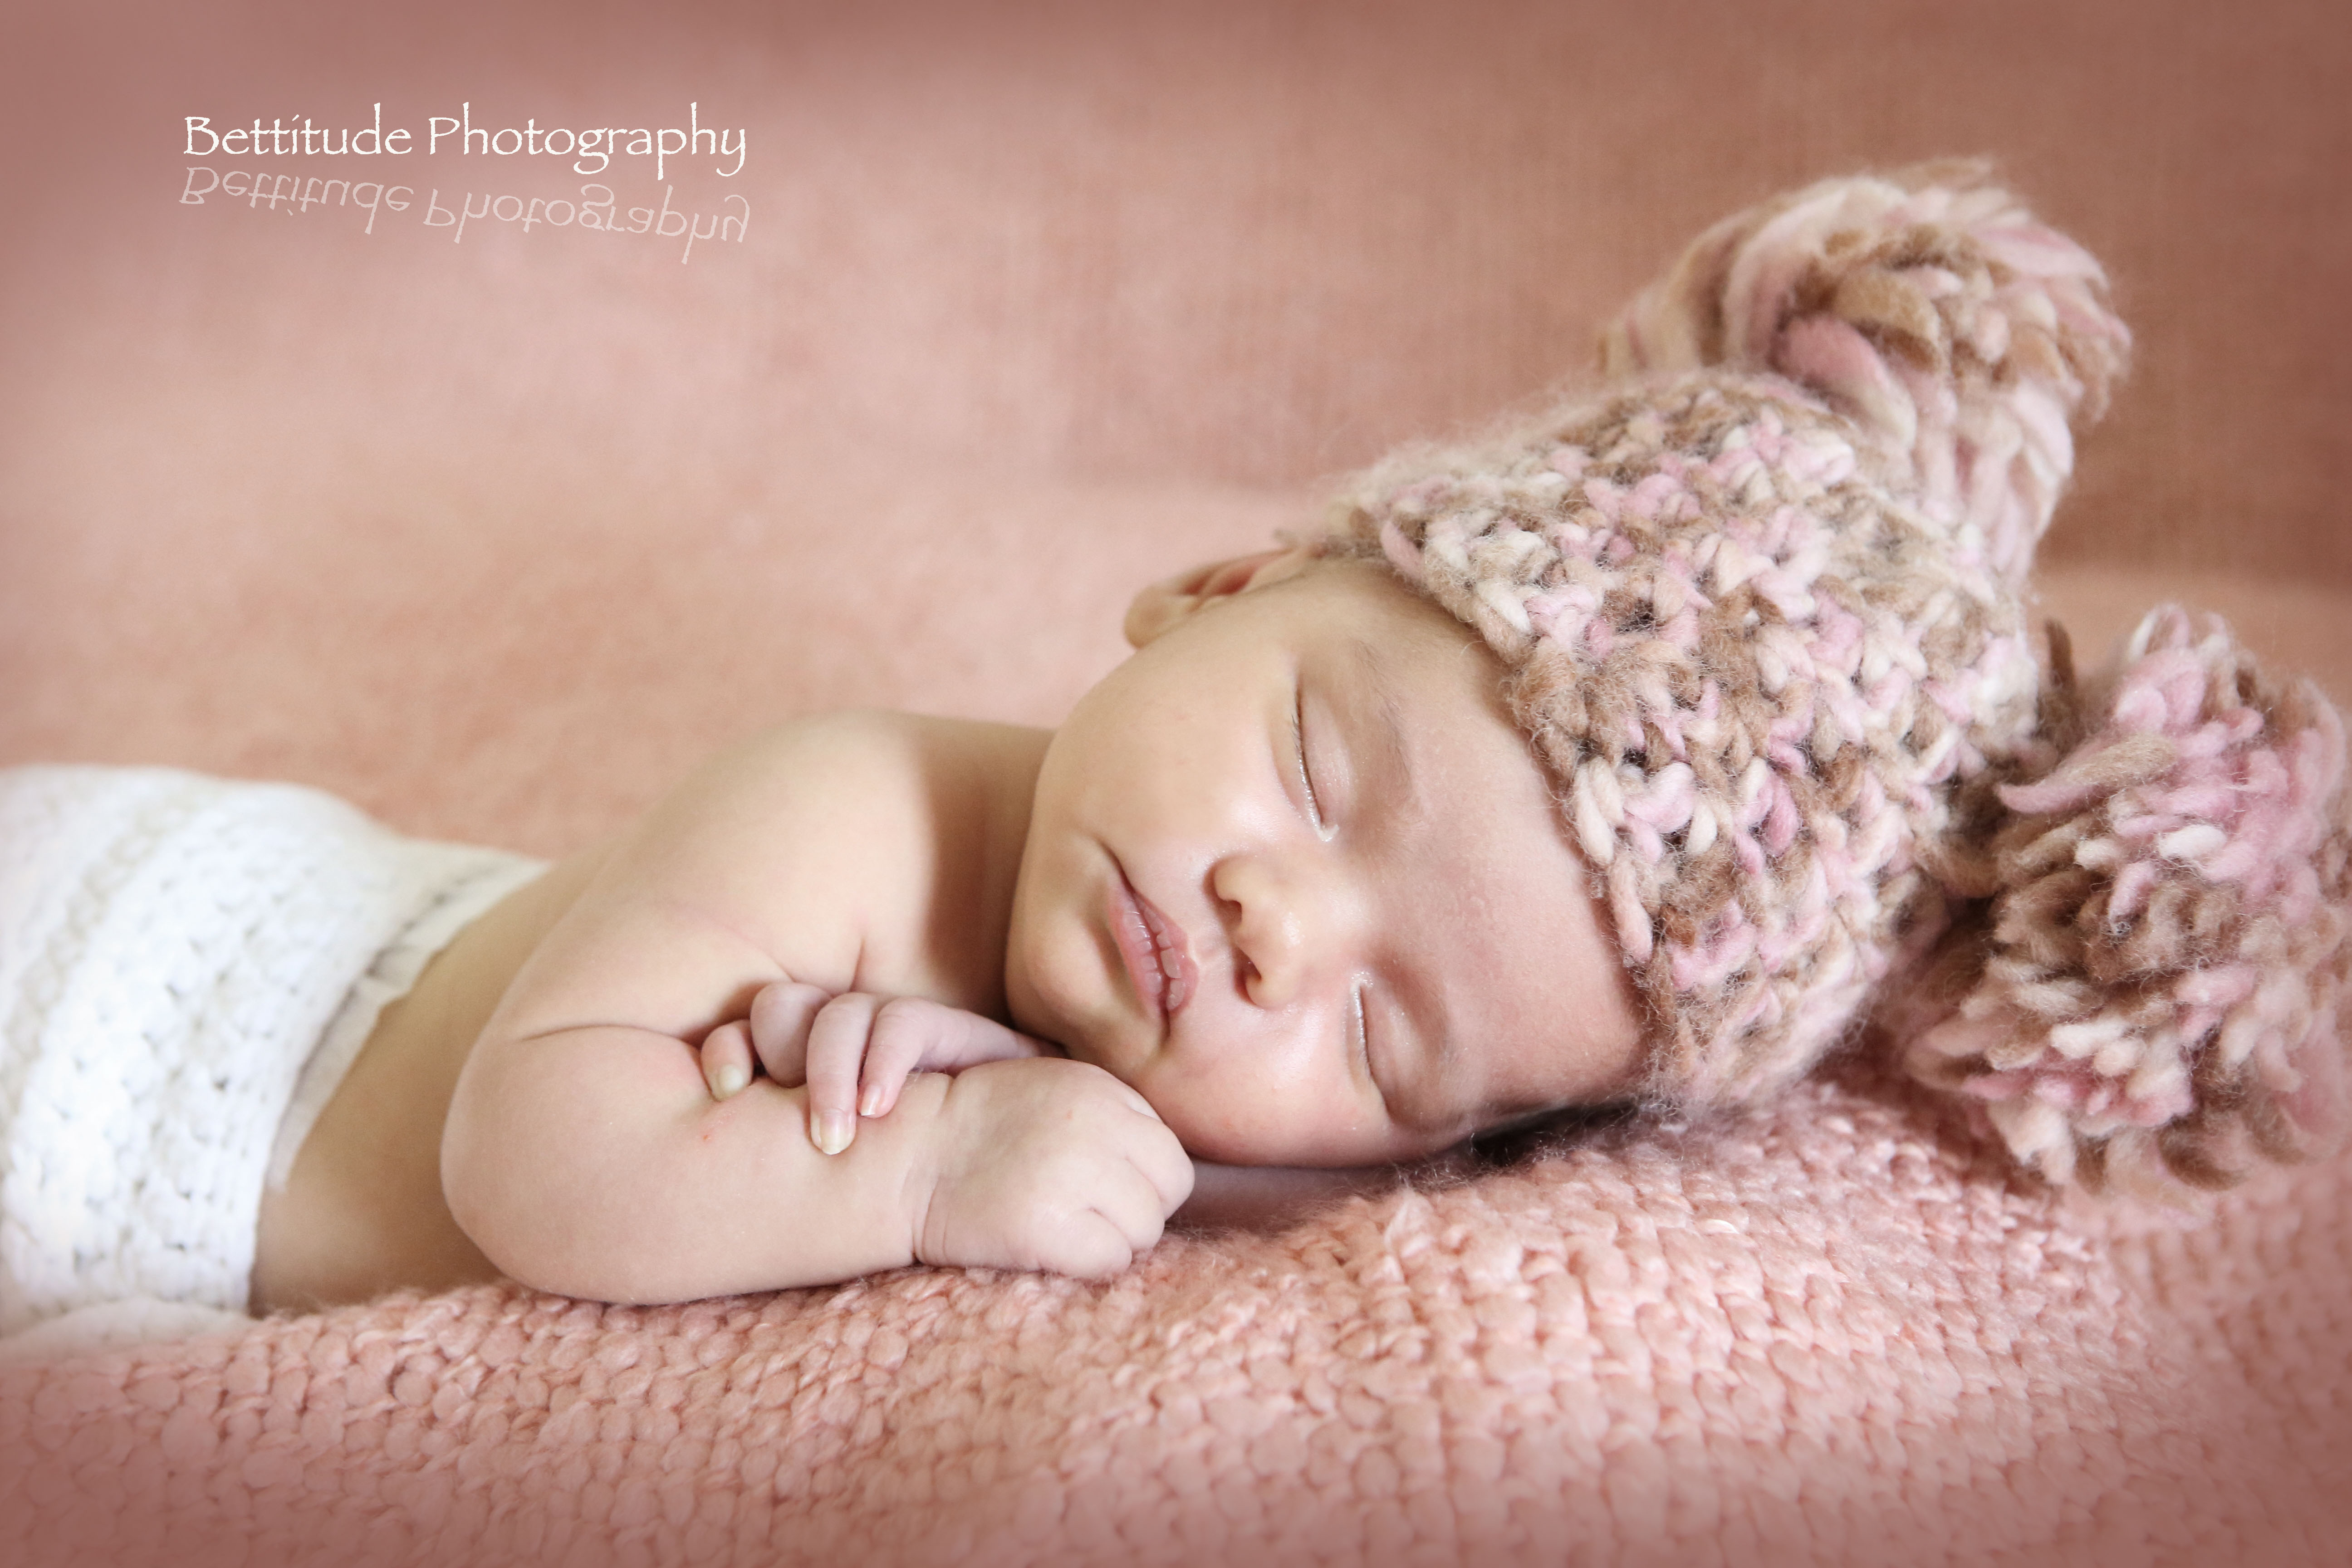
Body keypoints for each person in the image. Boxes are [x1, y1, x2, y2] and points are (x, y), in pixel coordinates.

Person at [5, 162, 2343, 1345]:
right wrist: (924, 1171)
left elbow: (1241, 1190)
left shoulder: (1229, 1116)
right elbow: (532, 1158)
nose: (1270, 927)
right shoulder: (862, 805)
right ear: (1222, 586)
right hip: (132, 1022)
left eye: (1383, 1033)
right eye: (1319, 774)